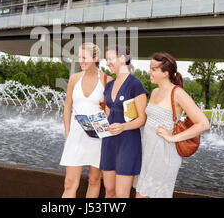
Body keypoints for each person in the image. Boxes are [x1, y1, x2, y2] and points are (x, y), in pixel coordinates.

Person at [133, 52, 210, 198]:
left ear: (165, 73)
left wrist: (173, 138)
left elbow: (203, 123)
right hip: (148, 152)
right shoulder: (155, 92)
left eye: (153, 69)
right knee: (142, 193)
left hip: (164, 155)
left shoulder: (178, 93)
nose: (149, 72)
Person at [60, 43, 113, 198]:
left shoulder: (107, 80)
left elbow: (109, 111)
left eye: (84, 58)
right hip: (75, 135)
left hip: (98, 135)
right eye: (79, 57)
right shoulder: (74, 79)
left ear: (95, 58)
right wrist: (67, 135)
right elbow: (67, 108)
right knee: (69, 183)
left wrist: (98, 128)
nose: (80, 61)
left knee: (94, 180)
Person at [100, 45, 148, 198]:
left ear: (122, 59)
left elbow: (142, 119)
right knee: (109, 190)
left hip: (127, 143)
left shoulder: (135, 84)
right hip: (109, 142)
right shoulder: (108, 85)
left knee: (121, 194)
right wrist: (94, 123)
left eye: (110, 59)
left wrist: (123, 127)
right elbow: (107, 115)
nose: (107, 63)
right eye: (106, 59)